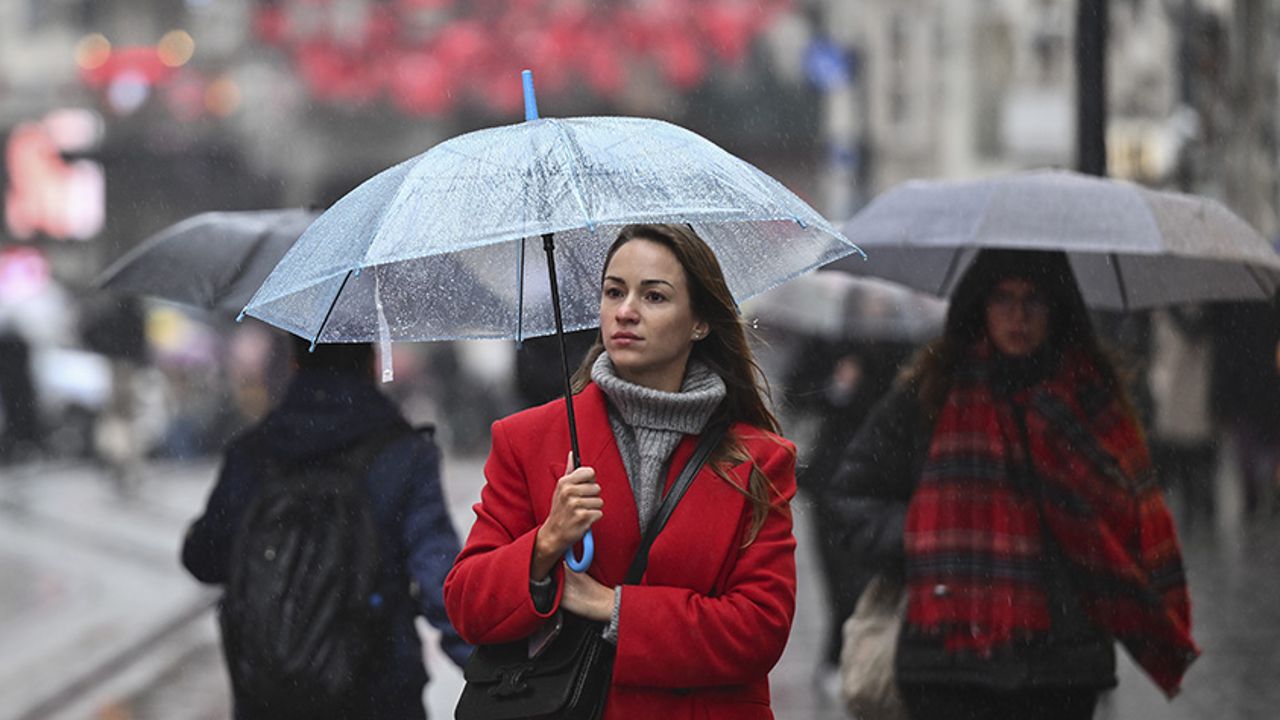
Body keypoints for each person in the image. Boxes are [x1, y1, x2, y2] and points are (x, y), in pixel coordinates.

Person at [444, 223, 798, 719]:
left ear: (700, 321)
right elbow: (467, 605)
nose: (625, 311)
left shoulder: (759, 460)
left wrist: (613, 607)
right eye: (614, 291)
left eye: (654, 296)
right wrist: (546, 544)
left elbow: (760, 629)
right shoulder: (529, 439)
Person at [832, 249, 1198, 720]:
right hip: (946, 660)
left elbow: (1131, 515)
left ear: (1057, 307)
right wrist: (922, 537)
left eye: (1034, 300)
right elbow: (851, 495)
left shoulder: (1092, 399)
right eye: (1003, 298)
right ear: (979, 305)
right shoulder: (931, 391)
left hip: (1059, 665)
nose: (1018, 315)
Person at [182, 337, 470, 719]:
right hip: (378, 691)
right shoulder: (404, 455)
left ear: (295, 365)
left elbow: (205, 559)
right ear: (371, 364)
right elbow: (441, 581)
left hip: (269, 695)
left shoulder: (253, 452)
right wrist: (488, 667)